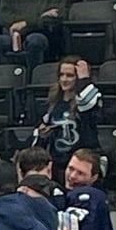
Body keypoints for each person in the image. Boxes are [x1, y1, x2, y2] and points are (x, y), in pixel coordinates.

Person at [35, 56, 101, 185]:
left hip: (81, 164)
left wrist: (84, 79)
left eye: (70, 75)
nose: (64, 79)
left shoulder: (89, 99)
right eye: (61, 75)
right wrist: (43, 133)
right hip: (58, 165)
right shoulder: (54, 103)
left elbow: (87, 102)